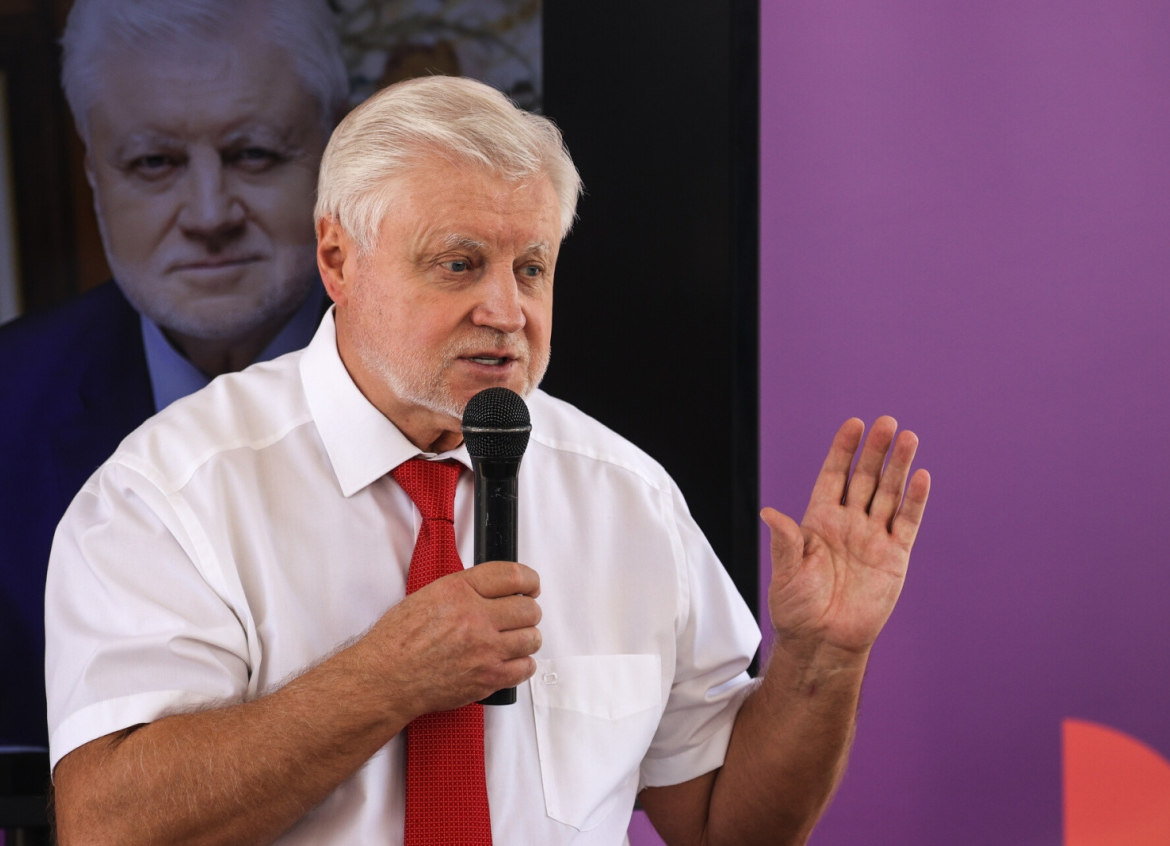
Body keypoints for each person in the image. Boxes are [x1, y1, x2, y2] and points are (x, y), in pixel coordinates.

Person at [45, 76, 931, 845]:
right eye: (460, 264)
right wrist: (387, 678)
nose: (507, 311)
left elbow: (725, 827)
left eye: (532, 268)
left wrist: (822, 658)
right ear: (338, 260)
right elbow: (107, 825)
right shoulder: (170, 493)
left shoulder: (626, 495)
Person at [0, 0, 346, 748]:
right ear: (93, 172)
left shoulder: (478, 393)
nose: (209, 214)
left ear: (340, 156)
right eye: (154, 163)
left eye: (254, 153)